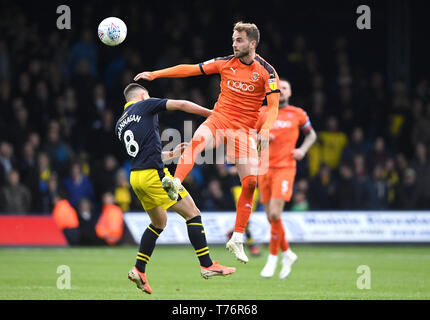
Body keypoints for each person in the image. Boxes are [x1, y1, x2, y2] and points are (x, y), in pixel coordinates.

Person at [134, 21, 281, 263]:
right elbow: (189, 69)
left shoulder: (267, 71)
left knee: (251, 183)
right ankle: (175, 181)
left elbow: (273, 107)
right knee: (197, 142)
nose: (234, 44)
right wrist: (156, 74)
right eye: (233, 39)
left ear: (253, 43)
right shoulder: (225, 63)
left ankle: (237, 238)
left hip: (244, 131)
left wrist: (264, 130)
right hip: (220, 119)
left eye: (239, 40)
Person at [116, 83, 235, 295]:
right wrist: (210, 113)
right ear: (143, 95)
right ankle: (207, 265)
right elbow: (180, 104)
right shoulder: (145, 105)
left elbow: (145, 156)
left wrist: (171, 154)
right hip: (154, 176)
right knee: (193, 213)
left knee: (159, 222)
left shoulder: (120, 123)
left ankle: (139, 269)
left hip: (136, 177)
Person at [256, 79, 317, 279]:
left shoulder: (298, 114)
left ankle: (273, 258)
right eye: (278, 88)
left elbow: (311, 135)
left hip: (284, 168)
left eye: (284, 88)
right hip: (263, 169)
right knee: (271, 218)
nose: (281, 90)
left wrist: (302, 150)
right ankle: (288, 252)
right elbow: (248, 134)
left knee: (274, 214)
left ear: (290, 93)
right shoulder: (263, 112)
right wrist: (261, 137)